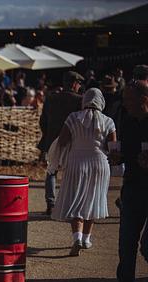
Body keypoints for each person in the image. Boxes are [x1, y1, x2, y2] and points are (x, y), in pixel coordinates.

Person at [51, 88, 116, 256]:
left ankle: (77, 238)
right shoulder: (108, 121)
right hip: (100, 164)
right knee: (92, 199)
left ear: (84, 100)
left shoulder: (73, 118)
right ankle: (86, 239)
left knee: (76, 199)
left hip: (77, 162)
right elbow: (113, 148)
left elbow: (62, 141)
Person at [103, 80, 148, 282]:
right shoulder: (128, 121)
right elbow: (127, 151)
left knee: (147, 246)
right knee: (126, 243)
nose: (125, 104)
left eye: (129, 99)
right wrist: (118, 157)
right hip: (133, 187)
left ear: (143, 100)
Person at [38, 71, 84, 216]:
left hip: (52, 140)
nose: (79, 87)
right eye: (79, 84)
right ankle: (69, 205)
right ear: (75, 84)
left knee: (51, 171)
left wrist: (48, 135)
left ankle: (51, 204)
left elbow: (43, 121)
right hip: (72, 141)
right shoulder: (79, 100)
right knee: (72, 173)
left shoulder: (51, 98)